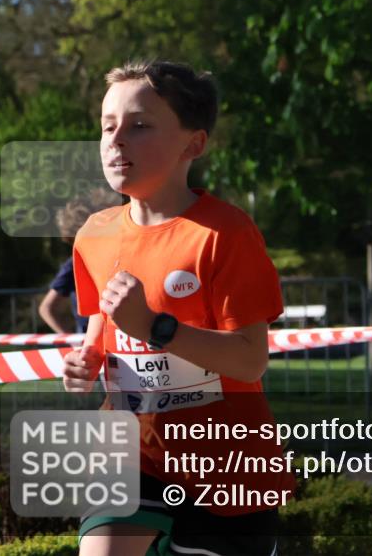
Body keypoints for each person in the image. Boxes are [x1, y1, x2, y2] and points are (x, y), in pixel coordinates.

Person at [62, 60, 293, 556]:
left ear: (194, 144)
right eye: (107, 126)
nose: (116, 139)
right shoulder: (94, 234)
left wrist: (153, 327)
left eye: (139, 126)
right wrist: (86, 360)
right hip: (130, 454)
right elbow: (102, 322)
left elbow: (250, 360)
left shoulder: (226, 234)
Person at [39, 190, 121, 334]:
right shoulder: (74, 263)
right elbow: (46, 308)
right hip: (87, 337)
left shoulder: (117, 257)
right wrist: (69, 340)